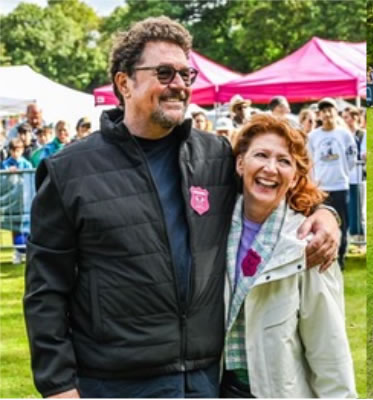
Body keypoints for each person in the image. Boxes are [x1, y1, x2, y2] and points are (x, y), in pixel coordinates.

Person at [23, 16, 339, 399]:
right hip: (115, 383)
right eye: (164, 72)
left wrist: (327, 216)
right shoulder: (68, 171)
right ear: (124, 83)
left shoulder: (215, 156)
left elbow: (280, 194)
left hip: (205, 379)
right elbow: (45, 289)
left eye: (186, 75)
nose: (179, 85)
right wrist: (58, 386)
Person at [221, 114, 356, 398]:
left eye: (284, 161)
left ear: (295, 177)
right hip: (212, 387)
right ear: (240, 163)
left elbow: (328, 348)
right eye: (261, 155)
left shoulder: (311, 242)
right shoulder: (209, 226)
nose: (271, 168)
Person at [308, 98, 357, 270]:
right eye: (323, 111)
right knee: (319, 223)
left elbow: (352, 158)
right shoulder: (313, 136)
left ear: (336, 112)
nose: (327, 114)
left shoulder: (344, 134)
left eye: (330, 110)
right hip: (320, 188)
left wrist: (342, 173)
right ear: (319, 115)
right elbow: (309, 161)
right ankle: (320, 256)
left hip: (340, 186)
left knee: (342, 223)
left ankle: (340, 257)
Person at [1, 138, 33, 264]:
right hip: (11, 201)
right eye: (13, 150)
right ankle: (17, 252)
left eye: (18, 150)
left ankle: (27, 252)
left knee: (26, 228)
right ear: (10, 150)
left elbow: (30, 178)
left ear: (22, 150)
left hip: (25, 200)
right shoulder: (5, 164)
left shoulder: (27, 164)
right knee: (14, 226)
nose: (15, 153)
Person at [343, 106, 366, 242]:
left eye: (346, 117)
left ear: (354, 118)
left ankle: (359, 233)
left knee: (358, 205)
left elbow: (363, 154)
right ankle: (349, 233)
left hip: (357, 175)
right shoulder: (343, 134)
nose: (344, 120)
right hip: (343, 176)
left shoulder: (361, 134)